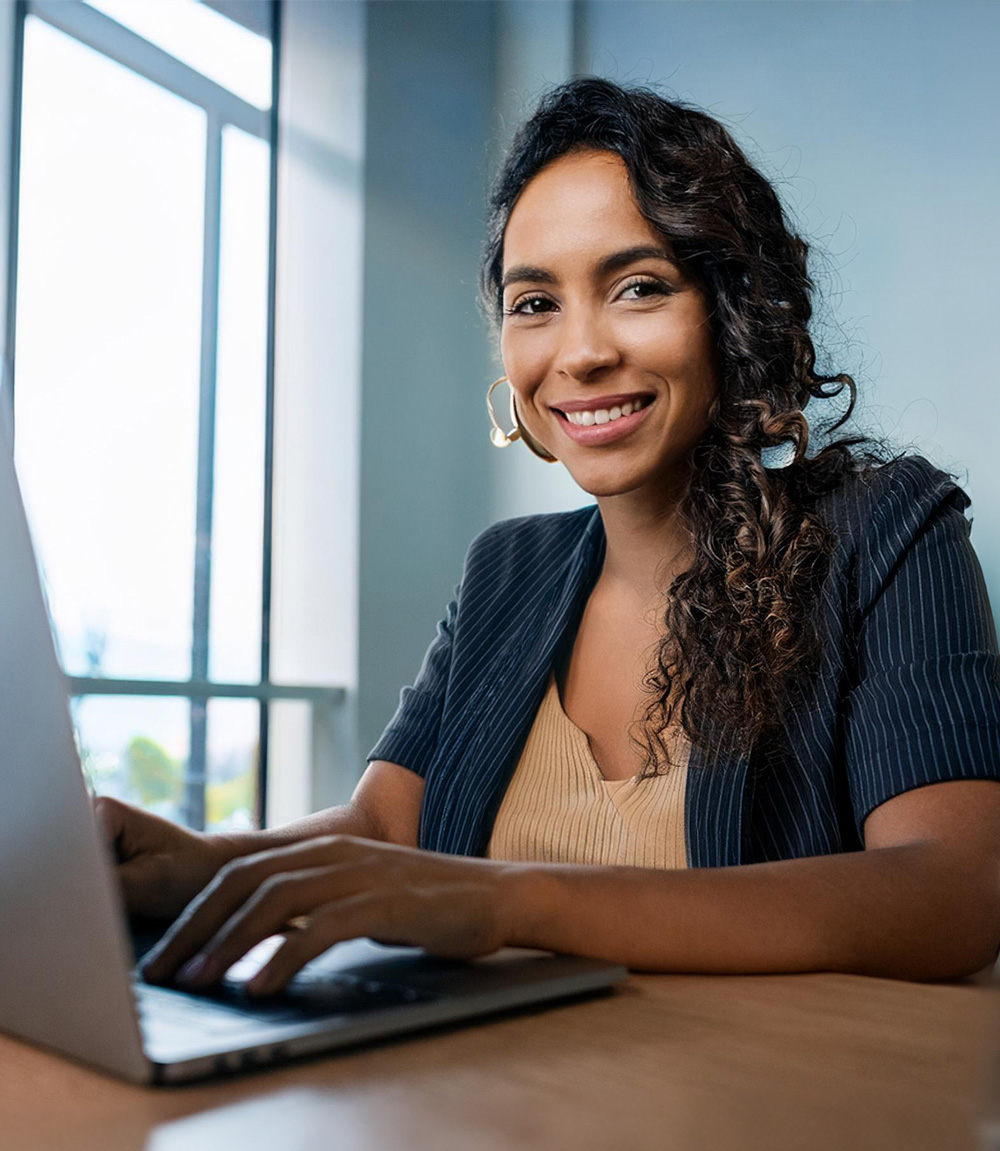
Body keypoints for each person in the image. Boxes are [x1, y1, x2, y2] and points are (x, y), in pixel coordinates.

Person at [98, 77, 1000, 992]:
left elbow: (954, 889)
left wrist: (510, 900)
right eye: (536, 303)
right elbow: (383, 831)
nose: (579, 353)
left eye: (638, 287)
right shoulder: (507, 570)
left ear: (731, 313)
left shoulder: (885, 535)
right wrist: (198, 864)